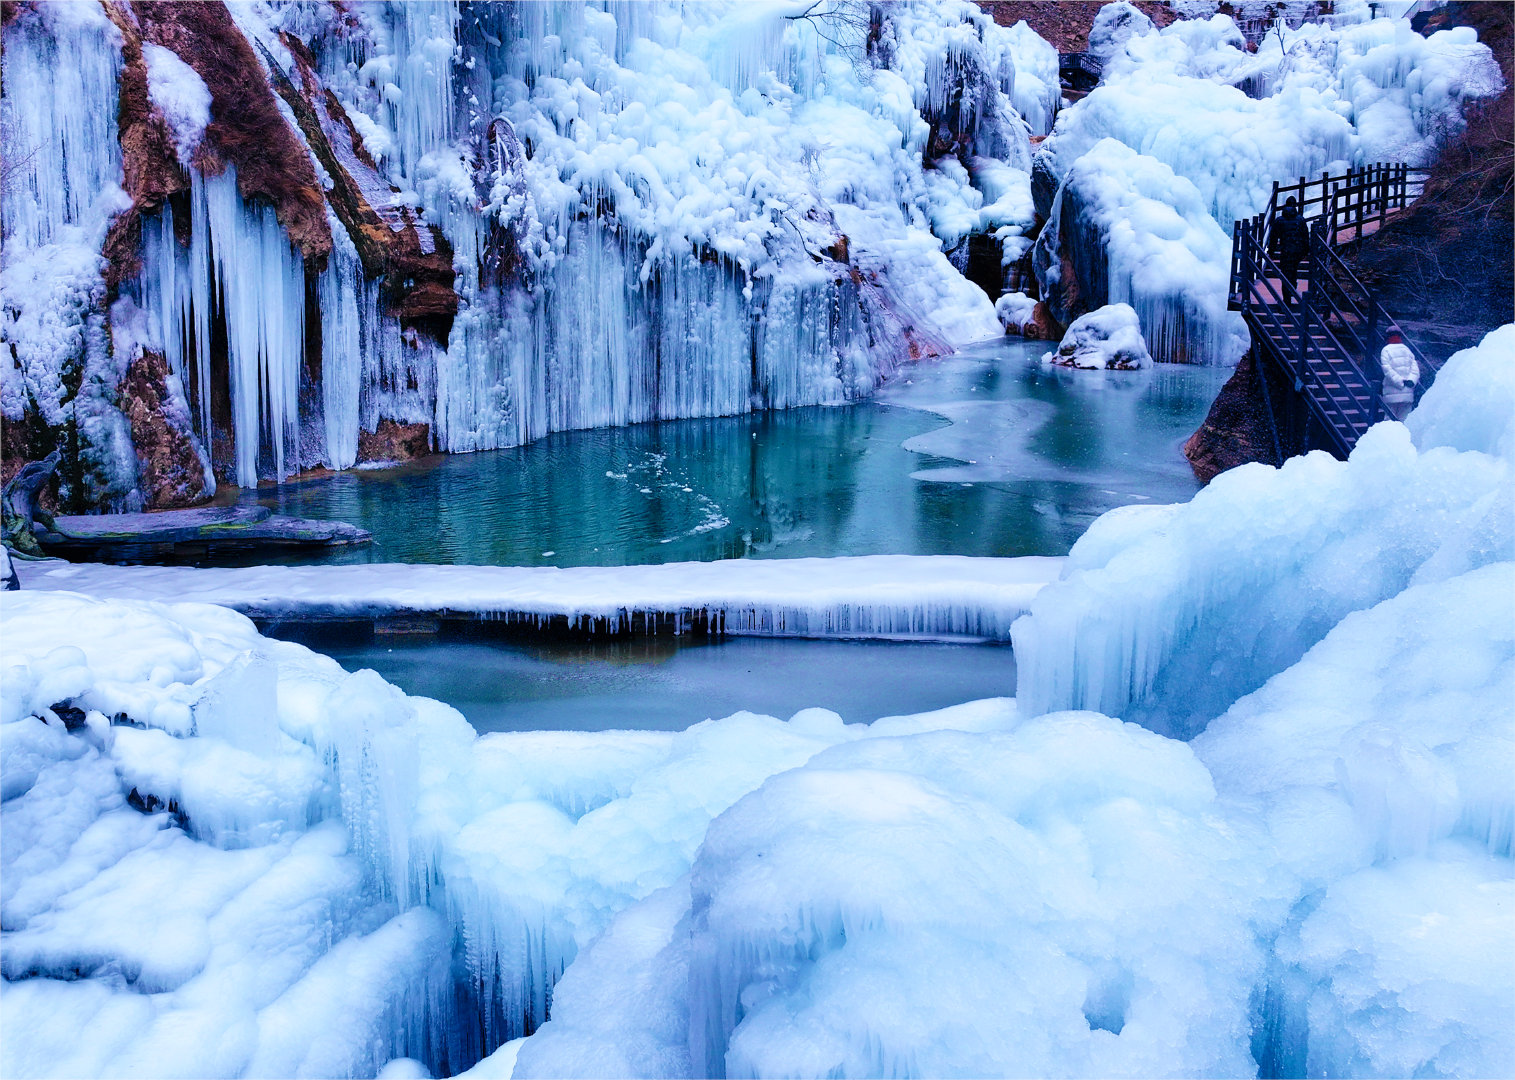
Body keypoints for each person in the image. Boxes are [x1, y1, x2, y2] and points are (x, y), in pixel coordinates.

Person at [1271, 196, 1310, 288]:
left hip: (1285, 250)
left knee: (1285, 272)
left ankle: (1287, 297)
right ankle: (1293, 285)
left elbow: (1274, 237)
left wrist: (1271, 252)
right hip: (1297, 250)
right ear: (1295, 206)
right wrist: (1306, 251)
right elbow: (1305, 236)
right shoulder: (1300, 220)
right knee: (1294, 270)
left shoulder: (1279, 220)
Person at [1379, 330, 1419, 420]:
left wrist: (1400, 382)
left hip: (1391, 392)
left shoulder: (1386, 350)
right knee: (1404, 419)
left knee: (1389, 420)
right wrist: (1411, 381)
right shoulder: (1407, 350)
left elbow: (1387, 370)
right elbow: (1415, 369)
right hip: (1407, 393)